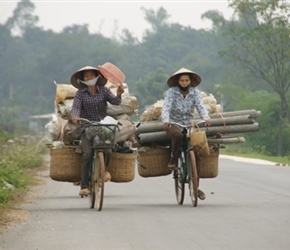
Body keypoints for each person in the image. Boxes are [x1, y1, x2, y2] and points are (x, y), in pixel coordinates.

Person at [70, 65, 124, 196]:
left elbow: (115, 102)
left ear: (97, 77)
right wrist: (75, 117)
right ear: (82, 79)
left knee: (108, 150)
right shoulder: (80, 94)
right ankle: (84, 186)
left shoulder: (104, 91)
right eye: (86, 76)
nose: (89, 78)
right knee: (87, 154)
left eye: (91, 75)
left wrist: (119, 94)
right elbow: (76, 107)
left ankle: (104, 171)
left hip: (101, 126)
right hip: (86, 126)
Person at [161, 67, 211, 200]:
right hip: (173, 123)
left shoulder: (195, 92)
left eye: (186, 80)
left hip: (189, 123)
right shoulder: (172, 92)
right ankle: (174, 159)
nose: (184, 82)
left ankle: (195, 185)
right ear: (178, 81)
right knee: (177, 136)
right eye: (182, 80)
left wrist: (206, 118)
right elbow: (166, 107)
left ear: (190, 81)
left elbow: (200, 106)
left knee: (196, 151)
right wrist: (166, 120)